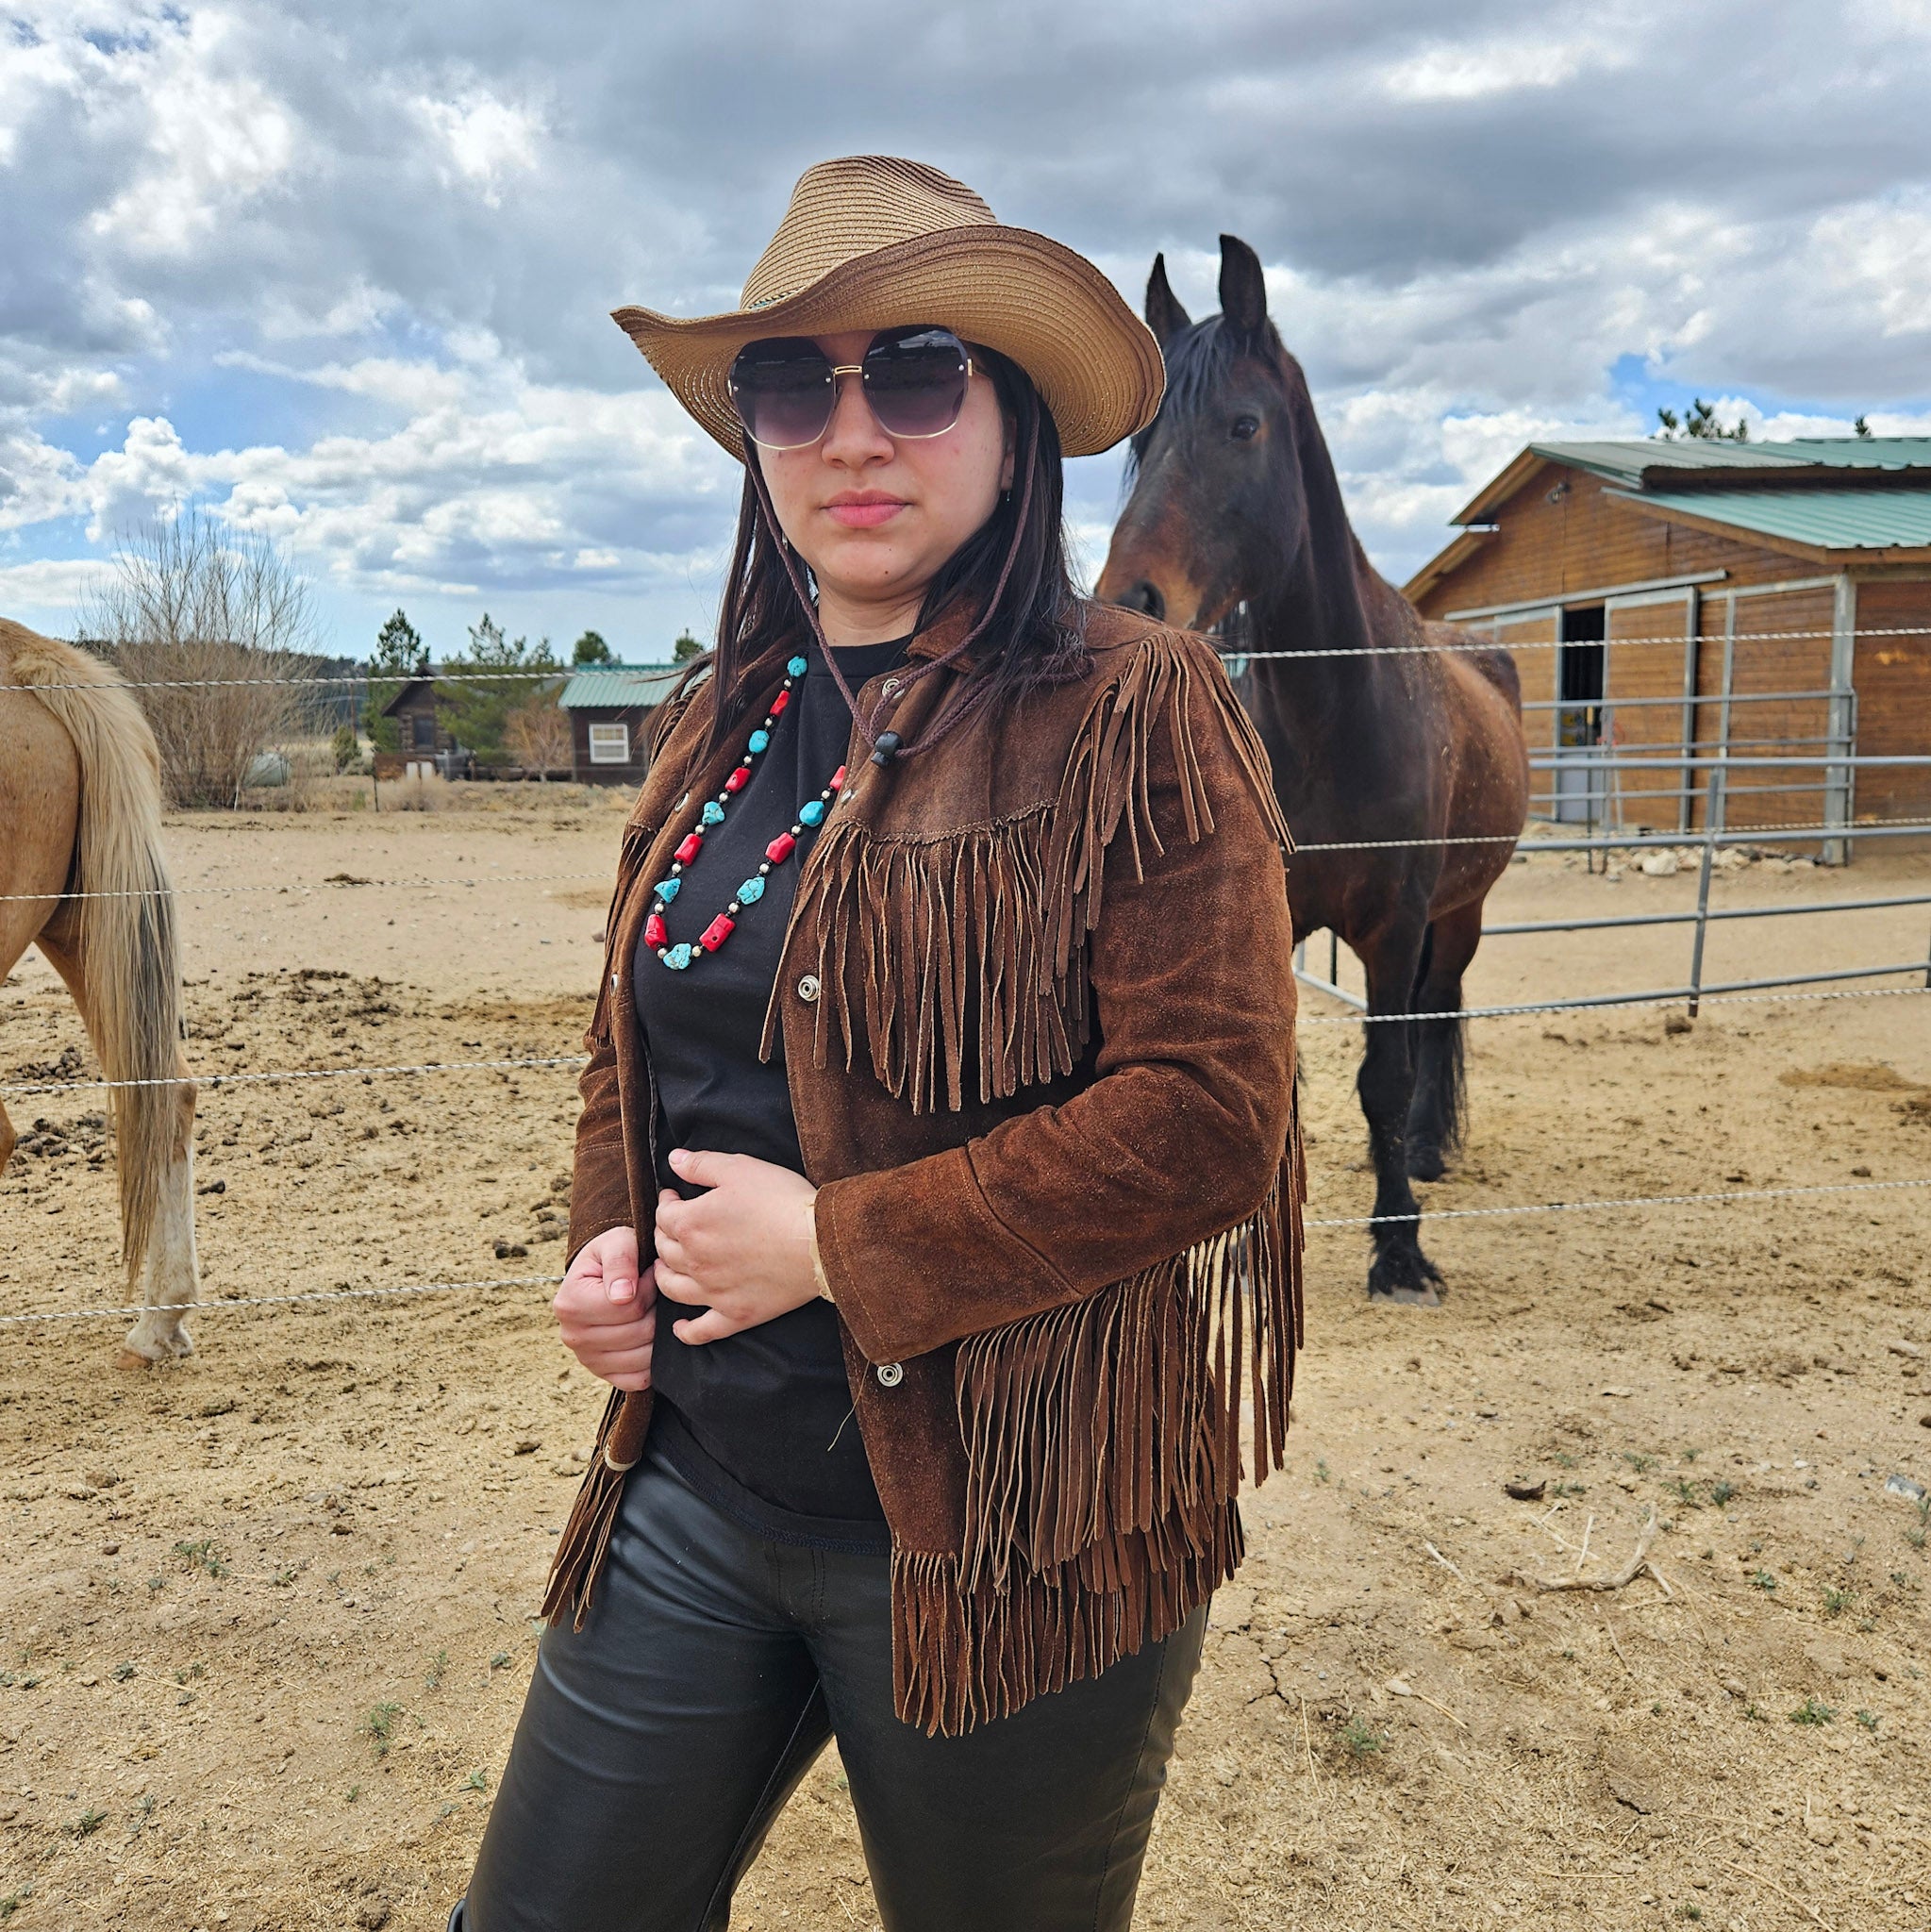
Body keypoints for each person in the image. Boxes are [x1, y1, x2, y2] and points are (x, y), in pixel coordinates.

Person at [454, 155, 1302, 1932]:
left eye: (915, 372)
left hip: (1028, 1517)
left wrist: (840, 1244)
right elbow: (642, 1025)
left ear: (1011, 426)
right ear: (753, 432)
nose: (852, 434)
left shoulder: (1131, 714)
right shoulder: (708, 729)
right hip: (698, 1483)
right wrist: (609, 1236)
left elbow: (1212, 1116)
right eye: (793, 383)